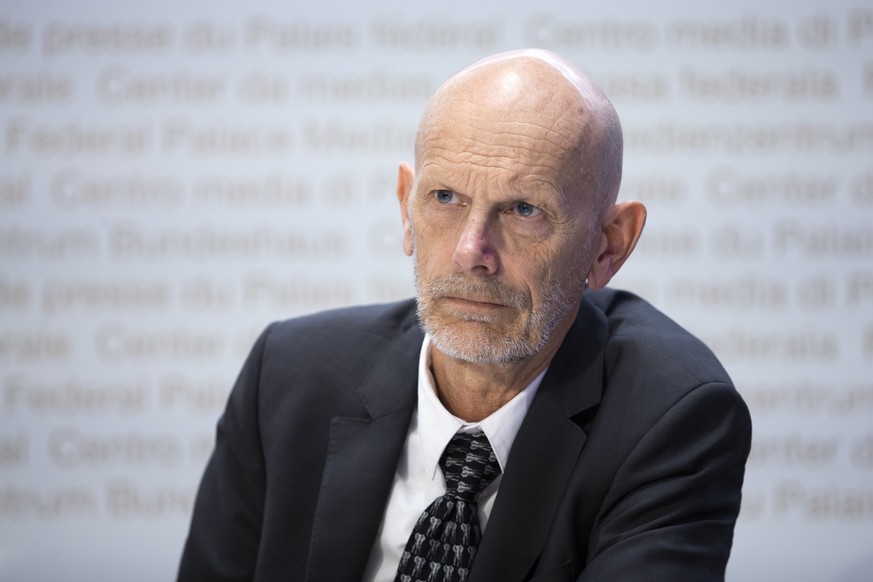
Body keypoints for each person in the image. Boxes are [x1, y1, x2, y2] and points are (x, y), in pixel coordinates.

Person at [177, 49, 751, 582]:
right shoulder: (287, 376)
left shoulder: (671, 418)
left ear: (608, 246)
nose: (470, 251)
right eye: (445, 198)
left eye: (525, 210)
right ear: (407, 207)